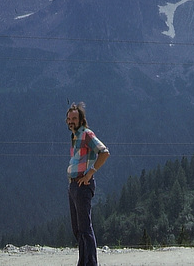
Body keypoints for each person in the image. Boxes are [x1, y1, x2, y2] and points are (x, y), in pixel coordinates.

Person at [66, 102, 110, 266]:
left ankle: (90, 263)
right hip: (73, 185)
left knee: (85, 228)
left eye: (74, 118)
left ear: (81, 119)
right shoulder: (75, 136)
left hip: (83, 185)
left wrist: (91, 173)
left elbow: (104, 152)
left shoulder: (86, 134)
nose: (71, 121)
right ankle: (83, 262)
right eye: (69, 118)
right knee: (78, 229)